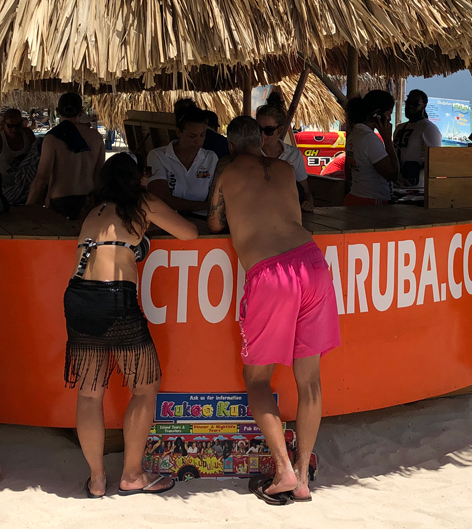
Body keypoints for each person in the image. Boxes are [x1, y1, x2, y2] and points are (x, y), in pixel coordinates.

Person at [208, 117, 339, 504]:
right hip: (313, 263)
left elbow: (215, 223)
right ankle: (301, 477)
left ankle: (282, 469)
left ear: (231, 146)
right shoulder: (284, 169)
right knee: (310, 380)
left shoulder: (228, 171)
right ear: (263, 141)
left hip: (270, 274)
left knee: (258, 379)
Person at [63, 153, 198, 497]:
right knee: (145, 386)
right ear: (134, 179)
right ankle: (132, 475)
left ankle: (96, 480)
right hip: (116, 297)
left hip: (79, 296)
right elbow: (189, 233)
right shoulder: (141, 203)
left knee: (90, 393)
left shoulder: (94, 210)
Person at [28, 92, 104, 218]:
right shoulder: (96, 137)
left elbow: (41, 179)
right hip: (88, 200)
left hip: (61, 201)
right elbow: (99, 175)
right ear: (81, 112)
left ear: (57, 111)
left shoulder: (52, 138)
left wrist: (28, 207)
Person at [146, 108, 218, 214]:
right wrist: (207, 205)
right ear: (179, 132)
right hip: (168, 220)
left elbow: (217, 195)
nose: (197, 141)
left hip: (202, 221)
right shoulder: (158, 156)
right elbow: (160, 198)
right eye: (192, 136)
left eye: (202, 135)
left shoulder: (211, 158)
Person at [343, 91, 400, 205]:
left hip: (355, 196)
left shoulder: (354, 134)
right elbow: (393, 174)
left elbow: (349, 173)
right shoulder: (369, 139)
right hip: (371, 201)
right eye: (388, 114)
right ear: (377, 114)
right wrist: (388, 141)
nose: (389, 119)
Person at [256, 104, 314, 212]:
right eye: (258, 129)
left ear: (280, 130)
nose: (262, 134)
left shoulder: (293, 154)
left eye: (268, 130)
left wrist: (308, 203)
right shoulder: (251, 154)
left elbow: (306, 191)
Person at [392, 89, 442, 185]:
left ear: (424, 105)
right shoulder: (400, 127)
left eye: (415, 103)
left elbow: (435, 160)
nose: (410, 106)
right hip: (397, 182)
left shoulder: (428, 128)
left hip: (417, 184)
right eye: (408, 102)